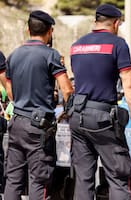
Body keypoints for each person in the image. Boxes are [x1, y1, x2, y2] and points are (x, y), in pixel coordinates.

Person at [69, 4, 131, 200]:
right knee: (118, 175)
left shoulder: (76, 45)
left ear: (95, 21)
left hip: (77, 116)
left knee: (84, 178)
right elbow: (128, 82)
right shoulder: (117, 44)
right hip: (102, 118)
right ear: (116, 23)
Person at [4, 10, 73, 200]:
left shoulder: (14, 55)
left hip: (17, 122)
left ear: (27, 29)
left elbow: (10, 90)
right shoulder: (51, 55)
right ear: (50, 31)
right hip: (39, 126)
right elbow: (66, 89)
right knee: (39, 180)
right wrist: (69, 111)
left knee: (13, 179)